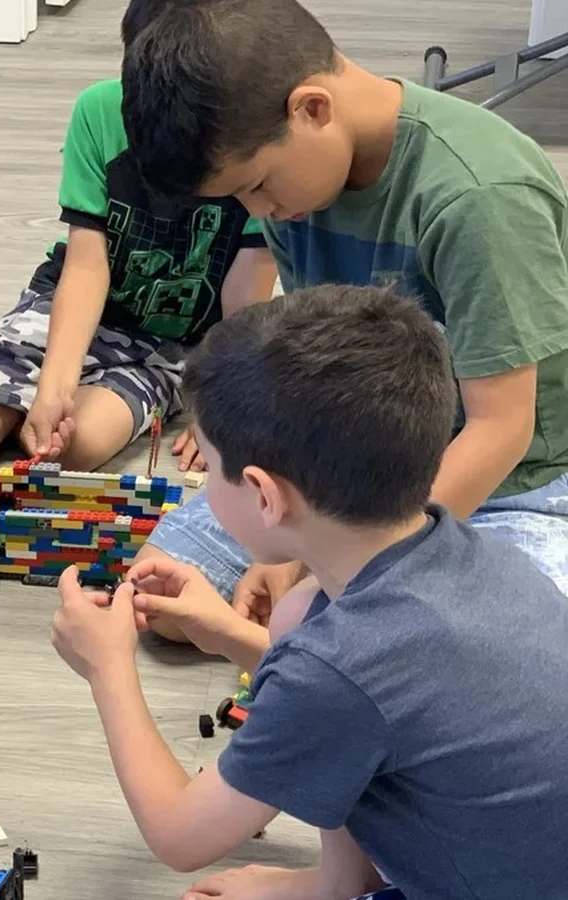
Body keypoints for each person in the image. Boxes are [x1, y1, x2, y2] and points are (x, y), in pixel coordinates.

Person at [51, 284, 568, 900]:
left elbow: (178, 836)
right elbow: (371, 696)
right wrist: (224, 631)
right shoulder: (462, 550)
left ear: (265, 496)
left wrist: (108, 667)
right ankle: (340, 882)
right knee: (295, 614)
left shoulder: (341, 664)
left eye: (210, 468)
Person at [119, 0, 568, 648]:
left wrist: (339, 565)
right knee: (162, 598)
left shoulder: (479, 195)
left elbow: (502, 428)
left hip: (515, 482)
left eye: (259, 186)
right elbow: (318, 382)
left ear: (312, 108)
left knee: (470, 662)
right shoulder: (297, 180)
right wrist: (290, 552)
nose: (261, 210)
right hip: (354, 465)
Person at [0, 0, 278, 471]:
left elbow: (246, 299)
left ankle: (10, 388)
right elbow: (86, 264)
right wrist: (54, 385)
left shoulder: (253, 145)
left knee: (75, 449)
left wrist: (225, 406)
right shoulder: (99, 111)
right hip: (76, 309)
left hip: (173, 343)